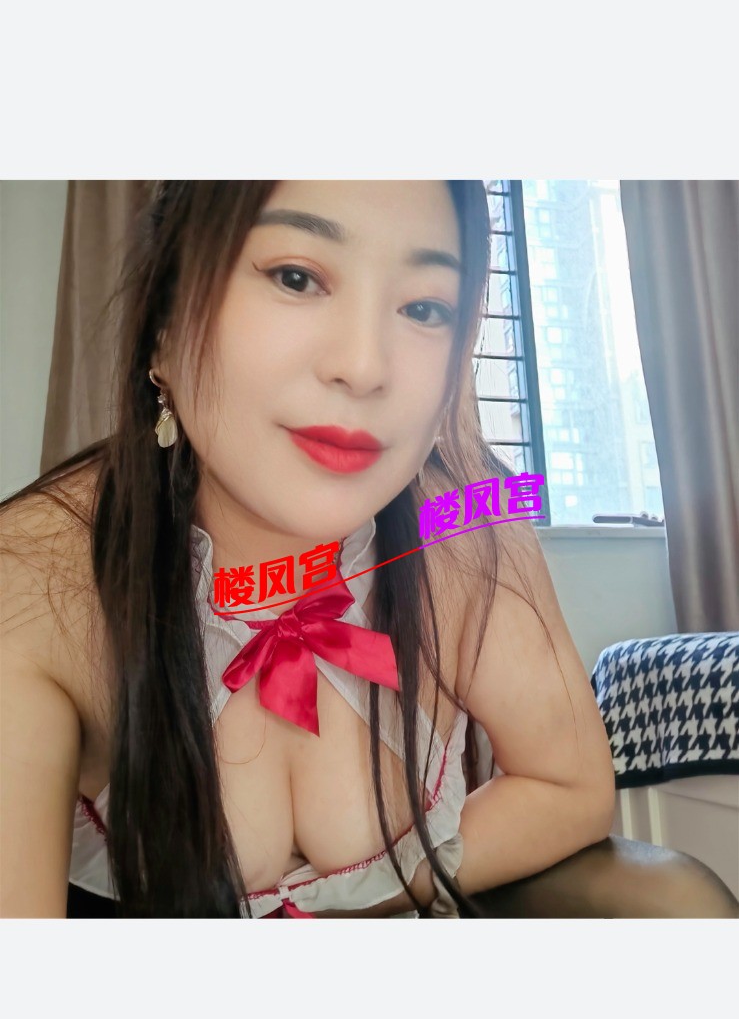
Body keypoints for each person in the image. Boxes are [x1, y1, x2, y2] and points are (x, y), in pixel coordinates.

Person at [0, 180, 617, 918]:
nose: (365, 366)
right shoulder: (32, 580)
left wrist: (364, 903)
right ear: (163, 324)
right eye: (296, 277)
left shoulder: (470, 526)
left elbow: (569, 787)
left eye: (425, 308)